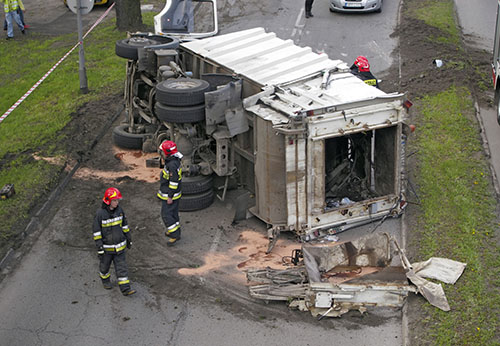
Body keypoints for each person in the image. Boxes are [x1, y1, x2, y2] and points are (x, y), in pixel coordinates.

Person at [93, 187, 136, 296]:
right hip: (107, 249)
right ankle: (105, 280)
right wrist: (100, 247)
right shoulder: (100, 214)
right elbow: (97, 232)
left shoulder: (120, 211)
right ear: (108, 201)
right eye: (115, 200)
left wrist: (128, 238)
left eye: (117, 200)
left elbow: (125, 226)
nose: (117, 203)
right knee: (104, 267)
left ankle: (125, 289)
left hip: (119, 247)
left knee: (122, 268)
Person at [157, 140, 183, 246]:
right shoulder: (174, 161)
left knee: (166, 215)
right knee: (173, 213)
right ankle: (175, 230)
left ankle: (174, 235)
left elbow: (173, 182)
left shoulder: (172, 165)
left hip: (170, 194)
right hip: (173, 193)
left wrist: (170, 196)